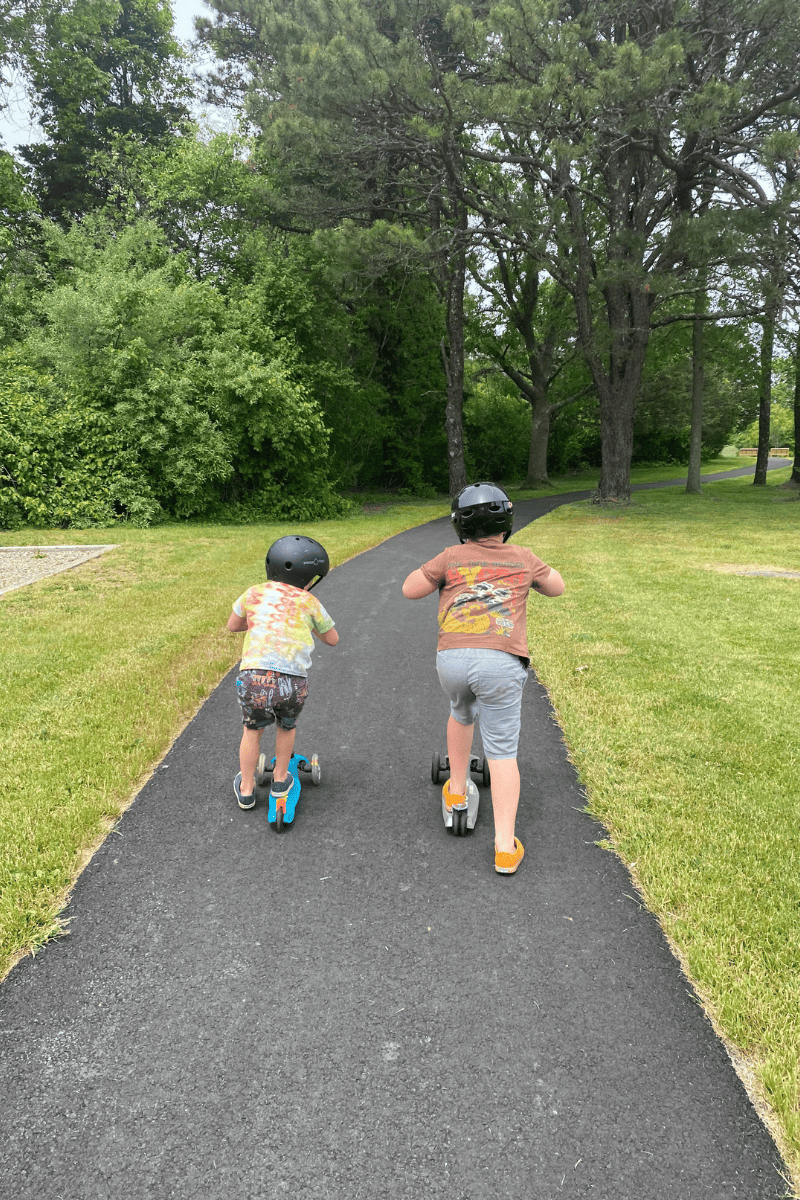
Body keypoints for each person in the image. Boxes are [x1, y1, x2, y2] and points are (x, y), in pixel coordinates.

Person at [402, 482, 564, 875]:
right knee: (503, 753)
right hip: (502, 661)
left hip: (453, 659)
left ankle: (457, 791)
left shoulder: (451, 556)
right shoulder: (523, 557)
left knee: (460, 712)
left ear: (459, 524)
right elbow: (557, 588)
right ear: (507, 520)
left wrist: (442, 574)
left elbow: (410, 590)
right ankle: (505, 847)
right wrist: (532, 577)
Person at [227, 535, 339, 810]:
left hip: (254, 678)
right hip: (291, 681)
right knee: (286, 727)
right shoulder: (309, 601)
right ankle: (280, 780)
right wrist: (309, 627)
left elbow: (234, 625)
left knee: (252, 730)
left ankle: (247, 788)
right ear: (310, 578)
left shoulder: (253, 592)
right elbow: (333, 639)